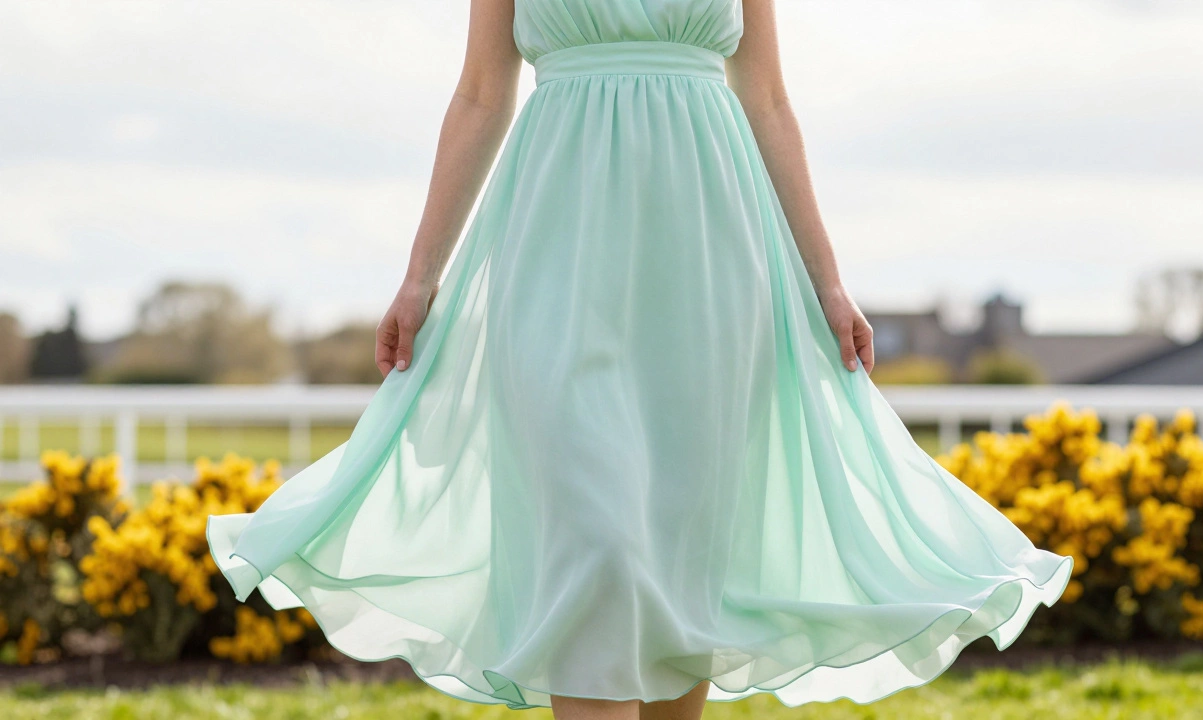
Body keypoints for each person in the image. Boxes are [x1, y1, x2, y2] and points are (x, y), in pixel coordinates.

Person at [207, 1, 1073, 718]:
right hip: (554, 247)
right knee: (595, 548)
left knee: (678, 566)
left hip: (709, 258)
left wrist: (827, 281)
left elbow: (766, 96)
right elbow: (479, 94)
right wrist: (418, 276)